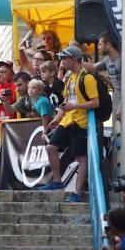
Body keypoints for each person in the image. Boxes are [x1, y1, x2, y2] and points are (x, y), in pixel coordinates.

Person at [39, 45, 99, 202]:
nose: (61, 62)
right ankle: (57, 181)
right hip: (67, 120)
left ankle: (77, 192)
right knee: (51, 147)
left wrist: (75, 107)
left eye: (64, 58)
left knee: (81, 158)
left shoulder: (88, 78)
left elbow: (95, 103)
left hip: (81, 122)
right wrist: (58, 117)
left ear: (73, 59)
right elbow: (66, 101)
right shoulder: (70, 78)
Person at [83, 31, 122, 120]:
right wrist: (77, 61)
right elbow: (93, 67)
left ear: (108, 45)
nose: (98, 47)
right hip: (119, 103)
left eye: (100, 44)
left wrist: (122, 106)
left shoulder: (121, 59)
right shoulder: (107, 60)